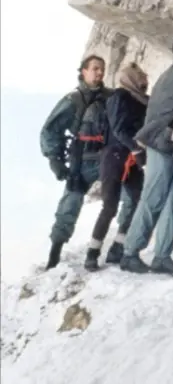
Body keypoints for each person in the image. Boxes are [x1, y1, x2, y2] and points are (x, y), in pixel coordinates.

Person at [39, 55, 134, 270]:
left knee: (131, 196)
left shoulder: (112, 97)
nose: (99, 72)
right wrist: (54, 159)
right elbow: (50, 130)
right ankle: (54, 254)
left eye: (102, 69)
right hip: (81, 161)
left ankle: (118, 245)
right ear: (84, 71)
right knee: (69, 204)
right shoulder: (73, 100)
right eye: (95, 68)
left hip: (108, 158)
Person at [119, 36, 173, 274]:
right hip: (162, 145)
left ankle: (162, 256)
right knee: (153, 199)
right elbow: (165, 112)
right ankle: (130, 253)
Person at [84, 63, 149, 270]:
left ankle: (117, 248)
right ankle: (92, 253)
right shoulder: (119, 97)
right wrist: (137, 149)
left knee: (138, 201)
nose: (144, 79)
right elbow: (119, 128)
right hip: (114, 155)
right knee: (110, 205)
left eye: (144, 76)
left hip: (131, 156)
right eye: (139, 75)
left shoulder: (143, 100)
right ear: (129, 77)